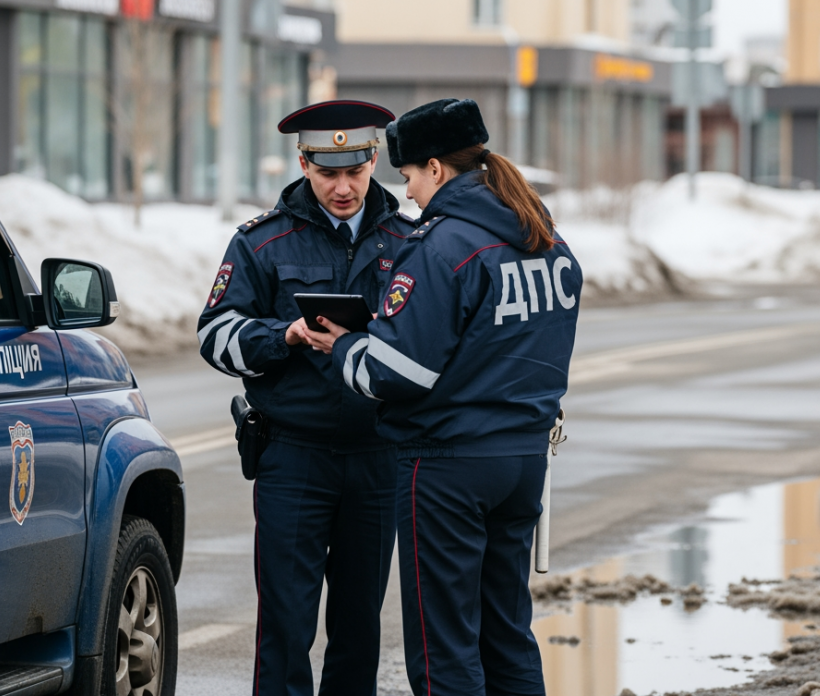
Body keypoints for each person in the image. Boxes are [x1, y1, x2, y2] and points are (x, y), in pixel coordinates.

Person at [303, 98, 582, 696]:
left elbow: (395, 372)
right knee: (507, 632)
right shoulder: (547, 241)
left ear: (435, 167)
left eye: (407, 177)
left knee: (443, 644)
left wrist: (345, 346)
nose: (408, 195)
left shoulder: (442, 246)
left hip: (447, 468)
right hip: (525, 462)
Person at [196, 100, 416, 696]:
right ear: (303, 164)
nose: (343, 187)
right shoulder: (261, 244)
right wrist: (282, 336)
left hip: (377, 457)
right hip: (292, 458)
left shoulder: (410, 241)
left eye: (355, 171)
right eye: (327, 173)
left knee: (358, 628)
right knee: (286, 627)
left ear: (374, 160)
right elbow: (214, 336)